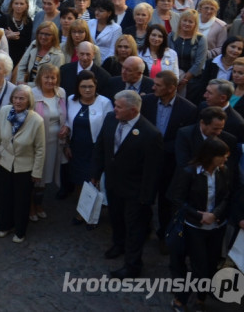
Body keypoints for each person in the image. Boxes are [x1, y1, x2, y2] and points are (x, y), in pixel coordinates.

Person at [91, 89, 163, 278]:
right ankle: (118, 244)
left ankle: (132, 265)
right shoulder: (110, 119)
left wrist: (146, 198)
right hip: (113, 185)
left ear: (132, 110)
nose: (114, 109)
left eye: (119, 107)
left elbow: (152, 170)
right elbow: (101, 146)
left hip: (135, 191)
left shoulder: (150, 134)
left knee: (134, 228)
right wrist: (95, 173)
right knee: (116, 218)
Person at [167, 137, 234, 311]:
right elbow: (178, 199)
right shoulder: (189, 172)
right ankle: (180, 299)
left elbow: (226, 196)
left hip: (216, 227)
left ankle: (200, 299)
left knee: (211, 264)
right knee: (198, 265)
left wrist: (214, 215)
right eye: (223, 156)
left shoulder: (223, 171)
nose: (226, 160)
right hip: (194, 227)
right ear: (211, 156)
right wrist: (199, 215)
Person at [0, 84, 45, 243]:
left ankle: (20, 231)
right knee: (5, 197)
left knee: (22, 201)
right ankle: (4, 226)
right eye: (15, 98)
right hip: (5, 163)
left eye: (22, 98)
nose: (18, 101)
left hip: (25, 167)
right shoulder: (4, 112)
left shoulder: (37, 120)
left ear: (29, 100)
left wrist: (37, 173)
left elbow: (40, 149)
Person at [67, 71, 113, 222]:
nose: (87, 90)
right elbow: (67, 121)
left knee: (94, 181)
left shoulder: (104, 102)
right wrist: (66, 143)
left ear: (96, 86)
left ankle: (93, 213)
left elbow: (109, 127)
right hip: (76, 148)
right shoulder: (71, 100)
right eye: (83, 86)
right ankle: (83, 209)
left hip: (95, 149)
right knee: (79, 180)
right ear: (78, 88)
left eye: (90, 86)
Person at [31, 64, 68, 216]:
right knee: (35, 176)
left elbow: (66, 115)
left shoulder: (61, 93)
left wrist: (66, 127)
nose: (50, 80)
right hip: (37, 144)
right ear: (40, 77)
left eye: (53, 77)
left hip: (55, 143)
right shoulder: (32, 94)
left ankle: (38, 204)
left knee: (45, 177)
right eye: (46, 77)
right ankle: (30, 206)